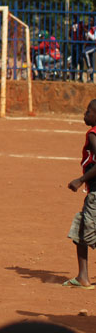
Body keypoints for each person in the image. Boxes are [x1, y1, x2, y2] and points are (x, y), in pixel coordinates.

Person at [64, 99, 96, 290]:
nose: (85, 114)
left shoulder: (93, 134)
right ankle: (82, 276)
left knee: (84, 230)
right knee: (82, 228)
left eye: (88, 111)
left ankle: (83, 278)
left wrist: (80, 179)